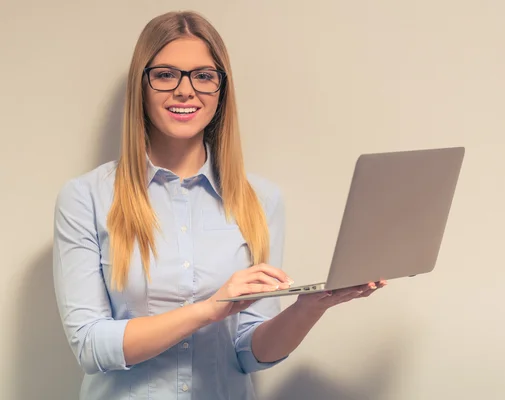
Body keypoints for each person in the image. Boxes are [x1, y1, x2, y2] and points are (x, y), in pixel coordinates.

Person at [53, 10, 386, 400]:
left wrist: (309, 307)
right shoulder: (85, 197)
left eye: (204, 76)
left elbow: (249, 353)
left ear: (221, 91)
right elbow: (91, 346)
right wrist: (210, 309)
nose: (185, 90)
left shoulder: (261, 200)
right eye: (164, 75)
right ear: (140, 87)